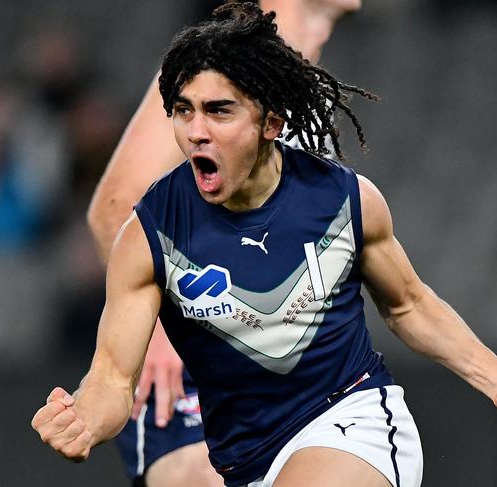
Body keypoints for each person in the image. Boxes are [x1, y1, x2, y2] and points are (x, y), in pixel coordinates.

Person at [32, 4, 497, 487]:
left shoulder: (343, 199)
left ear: (272, 124)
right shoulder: (149, 233)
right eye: (183, 110)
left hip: (348, 418)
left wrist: (496, 377)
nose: (195, 131)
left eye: (219, 111)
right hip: (242, 461)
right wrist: (82, 420)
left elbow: (408, 304)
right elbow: (112, 379)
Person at [87, 1, 362, 485]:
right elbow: (115, 205)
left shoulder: (287, 70)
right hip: (202, 349)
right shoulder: (221, 61)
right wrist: (157, 333)